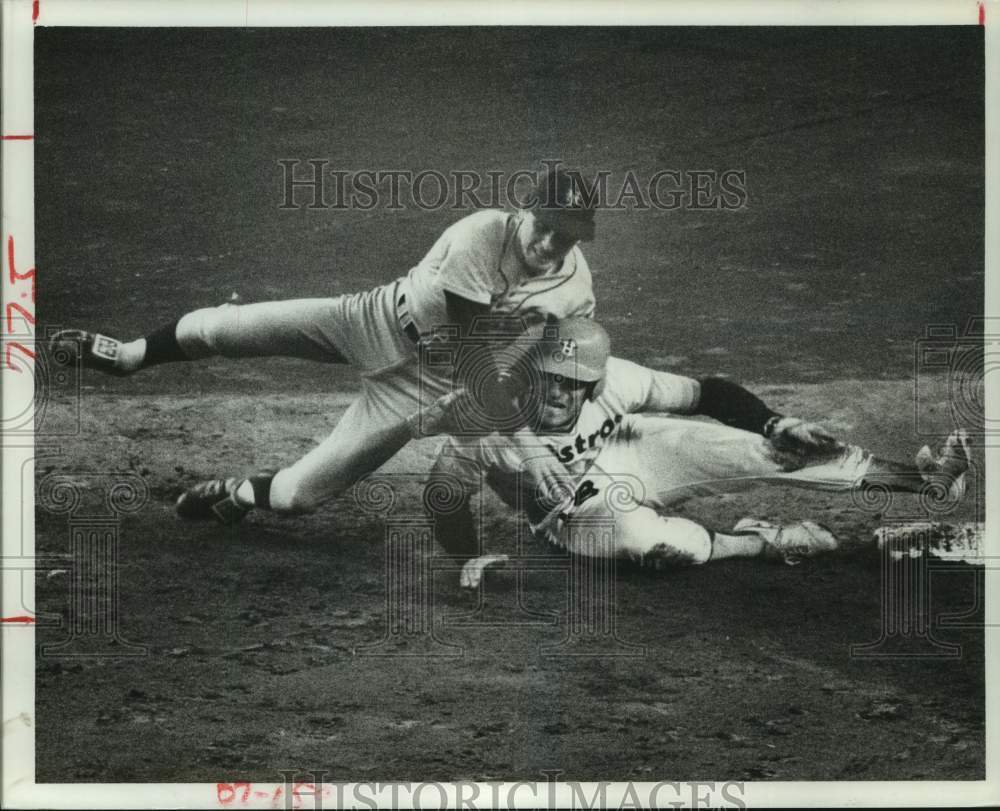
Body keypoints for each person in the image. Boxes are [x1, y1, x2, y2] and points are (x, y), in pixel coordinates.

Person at [51, 165, 599, 522]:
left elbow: (569, 356)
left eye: (567, 235)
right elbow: (475, 353)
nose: (551, 244)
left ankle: (237, 492)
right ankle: (125, 357)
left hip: (424, 389)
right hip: (373, 319)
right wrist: (526, 443)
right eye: (544, 226)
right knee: (224, 329)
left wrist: (554, 397)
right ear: (525, 211)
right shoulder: (484, 233)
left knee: (297, 497)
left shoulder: (575, 286)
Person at [422, 319, 972, 588]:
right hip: (572, 511)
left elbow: (708, 392)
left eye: (575, 382)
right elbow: (441, 493)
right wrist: (465, 556)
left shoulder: (620, 382)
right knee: (657, 548)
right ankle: (766, 541)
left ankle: (928, 482)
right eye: (549, 379)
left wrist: (777, 421)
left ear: (593, 384)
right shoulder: (487, 422)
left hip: (632, 447)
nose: (560, 393)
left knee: (773, 451)